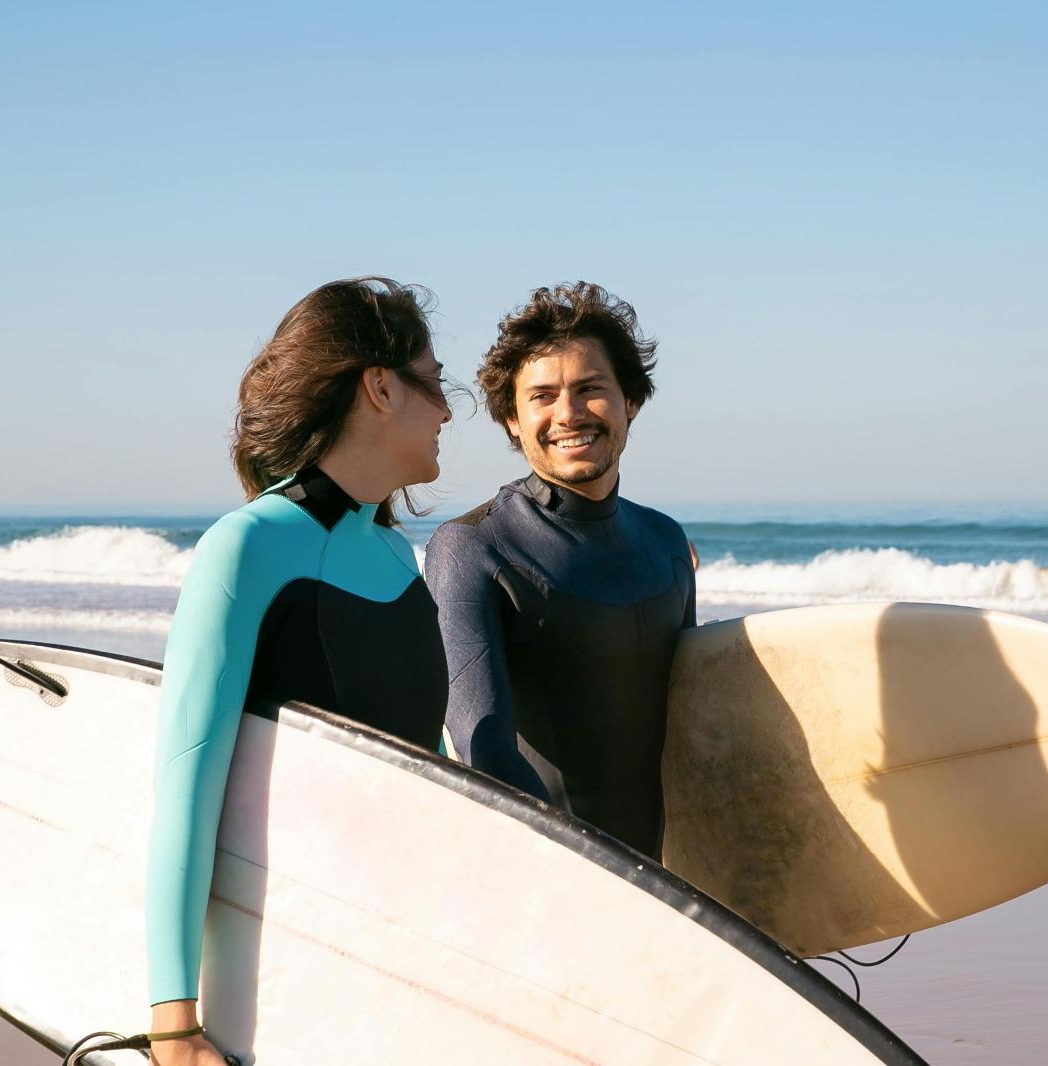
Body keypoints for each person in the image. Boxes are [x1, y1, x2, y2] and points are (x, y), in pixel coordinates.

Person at [145, 278, 453, 1066]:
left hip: (409, 975)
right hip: (294, 980)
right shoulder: (245, 548)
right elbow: (186, 790)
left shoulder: (396, 555)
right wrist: (174, 1025)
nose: (448, 411)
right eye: (435, 383)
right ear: (380, 387)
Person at [422, 282, 695, 860]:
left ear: (631, 402)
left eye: (590, 389)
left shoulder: (666, 542)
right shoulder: (473, 547)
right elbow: (483, 747)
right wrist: (595, 875)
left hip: (664, 891)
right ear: (512, 422)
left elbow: (693, 724)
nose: (568, 413)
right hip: (542, 879)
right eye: (542, 397)